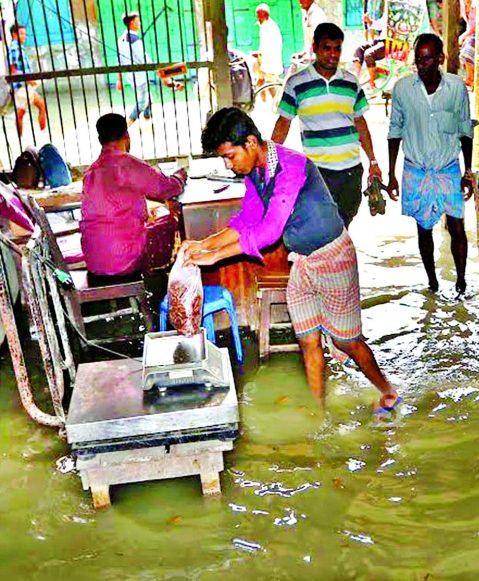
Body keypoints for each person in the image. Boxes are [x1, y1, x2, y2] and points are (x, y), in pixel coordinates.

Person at [184, 107, 399, 414]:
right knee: (308, 340)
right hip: (302, 263)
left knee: (346, 342)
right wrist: (203, 245)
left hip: (333, 256)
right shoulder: (255, 174)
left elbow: (270, 231)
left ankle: (388, 391)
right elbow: (247, 219)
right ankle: (317, 410)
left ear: (251, 143)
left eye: (230, 156)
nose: (228, 165)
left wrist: (215, 255)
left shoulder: (290, 166)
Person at [385, 33, 474, 296]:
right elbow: (394, 131)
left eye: (426, 59)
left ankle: (461, 282)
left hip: (448, 167)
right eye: (418, 59)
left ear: (440, 59)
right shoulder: (403, 89)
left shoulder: (456, 88)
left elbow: (465, 130)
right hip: (416, 168)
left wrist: (468, 172)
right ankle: (432, 283)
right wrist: (391, 174)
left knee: (457, 226)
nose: (420, 65)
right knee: (424, 228)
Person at [273, 23, 381, 228]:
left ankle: (340, 259)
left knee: (344, 224)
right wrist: (267, 160)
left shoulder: (351, 82)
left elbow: (360, 123)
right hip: (318, 171)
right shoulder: (296, 83)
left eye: (337, 48)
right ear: (315, 48)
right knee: (323, 226)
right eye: (326, 48)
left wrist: (373, 162)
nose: (332, 54)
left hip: (351, 170)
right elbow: (283, 123)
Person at [79, 113, 187, 283]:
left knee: (150, 217)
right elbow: (168, 189)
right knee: (169, 221)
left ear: (100, 140)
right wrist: (180, 175)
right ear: (126, 136)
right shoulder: (128, 164)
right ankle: (161, 283)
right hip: (124, 260)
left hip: (94, 260)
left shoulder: (91, 172)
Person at [117, 12, 181, 127]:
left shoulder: (121, 39)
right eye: (138, 21)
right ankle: (124, 128)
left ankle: (147, 122)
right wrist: (163, 76)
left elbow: (119, 61)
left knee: (148, 99)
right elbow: (144, 60)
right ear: (132, 23)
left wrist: (119, 80)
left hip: (130, 77)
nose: (140, 23)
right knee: (142, 103)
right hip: (139, 77)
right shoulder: (135, 40)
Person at [7, 24, 47, 137]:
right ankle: (22, 138)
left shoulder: (19, 47)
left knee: (40, 106)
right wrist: (29, 81)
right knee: (21, 113)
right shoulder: (15, 48)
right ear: (14, 34)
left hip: (25, 86)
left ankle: (42, 133)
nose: (24, 36)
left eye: (25, 33)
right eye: (21, 33)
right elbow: (13, 71)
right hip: (21, 87)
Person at [254, 3, 284, 102]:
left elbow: (270, 46)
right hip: (264, 60)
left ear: (266, 15)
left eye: (260, 15)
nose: (258, 18)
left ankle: (277, 105)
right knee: (260, 82)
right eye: (257, 15)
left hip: (270, 61)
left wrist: (260, 54)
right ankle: (264, 104)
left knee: (270, 84)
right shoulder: (264, 26)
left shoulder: (271, 28)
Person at [351, 13, 387, 89]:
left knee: (369, 54)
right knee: (359, 50)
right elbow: (380, 24)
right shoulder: (391, 8)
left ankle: (372, 83)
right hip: (380, 41)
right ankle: (356, 79)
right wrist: (369, 21)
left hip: (391, 44)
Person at [458, 0, 477, 89]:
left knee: (466, 53)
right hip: (471, 33)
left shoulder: (476, 6)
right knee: (464, 51)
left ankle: (471, 79)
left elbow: (474, 26)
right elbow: (469, 25)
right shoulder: (463, 6)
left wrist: (463, 36)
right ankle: (470, 78)